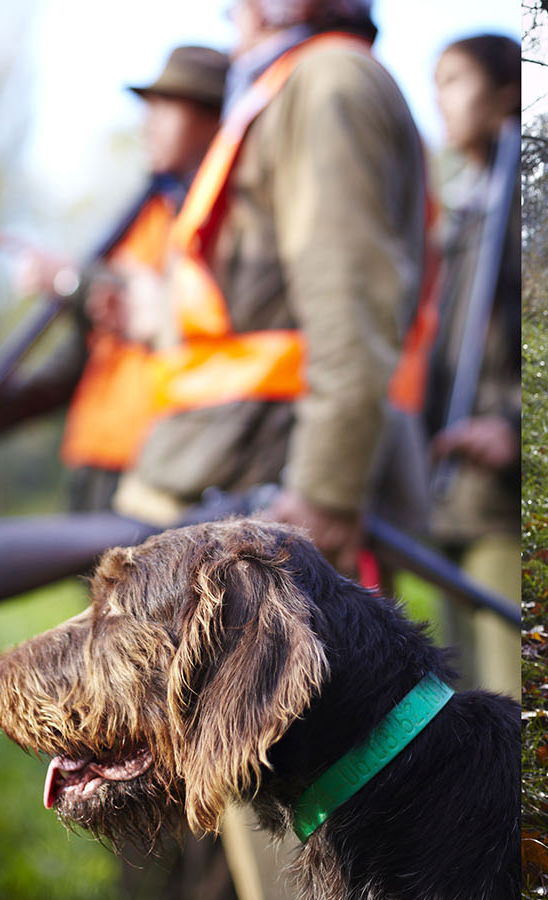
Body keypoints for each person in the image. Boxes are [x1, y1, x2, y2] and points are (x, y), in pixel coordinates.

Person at [112, 0, 427, 582]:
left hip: (275, 480)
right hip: (233, 465)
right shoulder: (305, 82)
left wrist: (325, 488)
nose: (232, 21)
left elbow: (349, 292)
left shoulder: (330, 78)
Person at [0, 46, 227, 513]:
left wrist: (70, 280)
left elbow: (193, 319)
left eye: (167, 107)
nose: (148, 123)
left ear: (215, 121)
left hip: (168, 474)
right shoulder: (147, 215)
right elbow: (86, 354)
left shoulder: (225, 221)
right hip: (98, 465)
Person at [420, 33, 522, 697]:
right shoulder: (468, 203)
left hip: (501, 497)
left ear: (508, 94)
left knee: (507, 686)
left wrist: (513, 424)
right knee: (465, 685)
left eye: (455, 80)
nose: (442, 100)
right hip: (450, 486)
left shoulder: (522, 204)